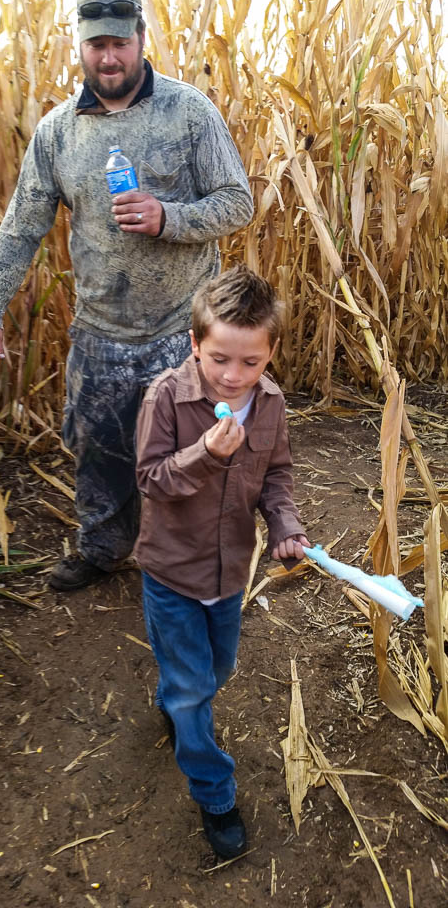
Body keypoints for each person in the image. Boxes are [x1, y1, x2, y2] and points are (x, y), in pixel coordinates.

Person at [0, 0, 253, 592]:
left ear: (141, 40)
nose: (109, 57)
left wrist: (167, 217)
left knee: (193, 453)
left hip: (184, 330)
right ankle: (103, 549)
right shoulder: (58, 132)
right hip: (100, 333)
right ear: (79, 46)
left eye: (120, 43)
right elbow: (21, 228)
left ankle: (188, 563)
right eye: (97, 44)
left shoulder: (188, 111)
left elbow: (238, 202)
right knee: (99, 451)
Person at [134, 264, 310, 859]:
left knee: (216, 671)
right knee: (193, 692)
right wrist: (205, 454)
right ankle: (215, 794)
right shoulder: (165, 398)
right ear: (195, 343)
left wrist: (285, 527)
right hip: (172, 575)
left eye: (250, 362)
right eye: (218, 359)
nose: (233, 376)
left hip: (230, 573)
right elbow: (151, 480)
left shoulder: (271, 403)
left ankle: (174, 703)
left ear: (271, 353)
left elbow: (276, 475)